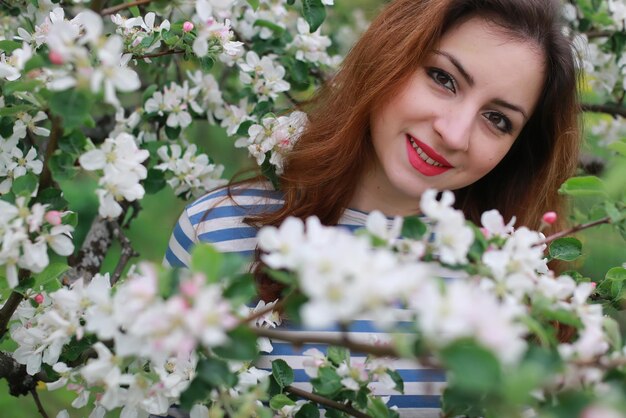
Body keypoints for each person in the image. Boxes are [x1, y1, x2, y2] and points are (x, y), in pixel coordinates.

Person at [165, 0, 580, 416]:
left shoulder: (512, 285)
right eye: (443, 78)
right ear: (390, 55)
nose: (454, 134)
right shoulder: (220, 229)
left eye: (497, 119)